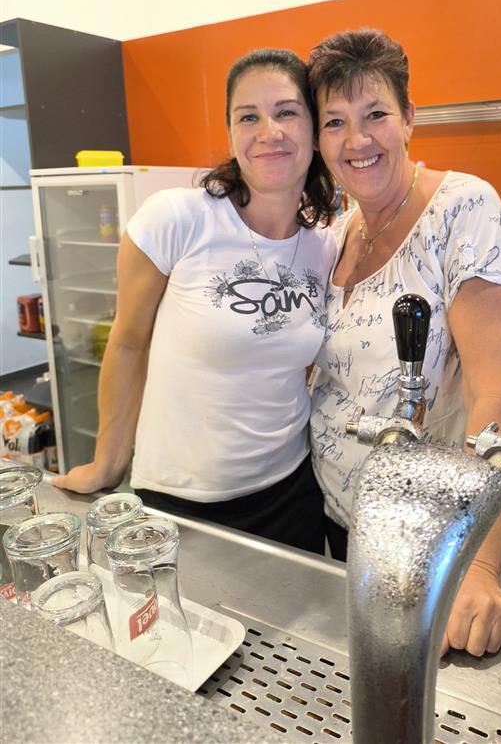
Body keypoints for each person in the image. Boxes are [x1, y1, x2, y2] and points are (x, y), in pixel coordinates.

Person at [54, 49, 337, 554]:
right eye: (248, 117)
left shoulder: (325, 245)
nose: (269, 131)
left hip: (293, 491)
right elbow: (128, 343)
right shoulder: (176, 219)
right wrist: (107, 463)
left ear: (314, 131)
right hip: (178, 499)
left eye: (286, 112)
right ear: (230, 134)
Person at [307, 28, 501, 652]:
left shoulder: (463, 209)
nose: (357, 140)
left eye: (375, 114)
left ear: (408, 118)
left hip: (433, 538)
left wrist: (480, 569)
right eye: (335, 122)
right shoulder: (338, 230)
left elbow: (496, 395)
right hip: (335, 522)